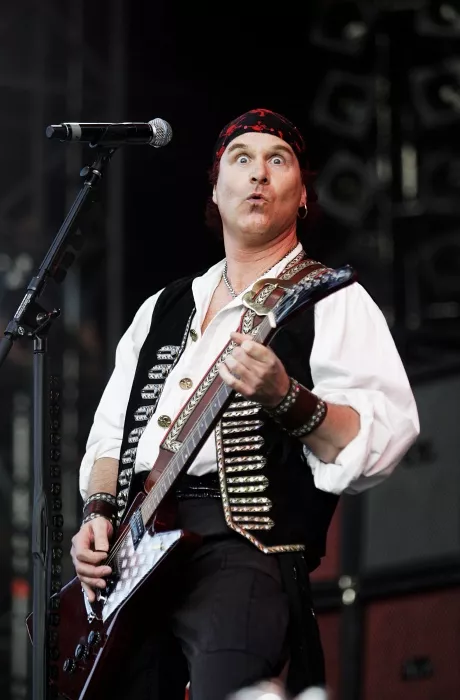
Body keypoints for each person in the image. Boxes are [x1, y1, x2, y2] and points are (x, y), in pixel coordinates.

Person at [70, 108, 419, 700]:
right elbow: (110, 438)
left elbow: (381, 437)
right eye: (241, 159)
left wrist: (286, 398)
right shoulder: (162, 308)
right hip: (133, 558)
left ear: (302, 195)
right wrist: (97, 515)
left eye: (277, 160)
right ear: (215, 188)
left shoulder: (331, 297)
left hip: (242, 545)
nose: (258, 173)